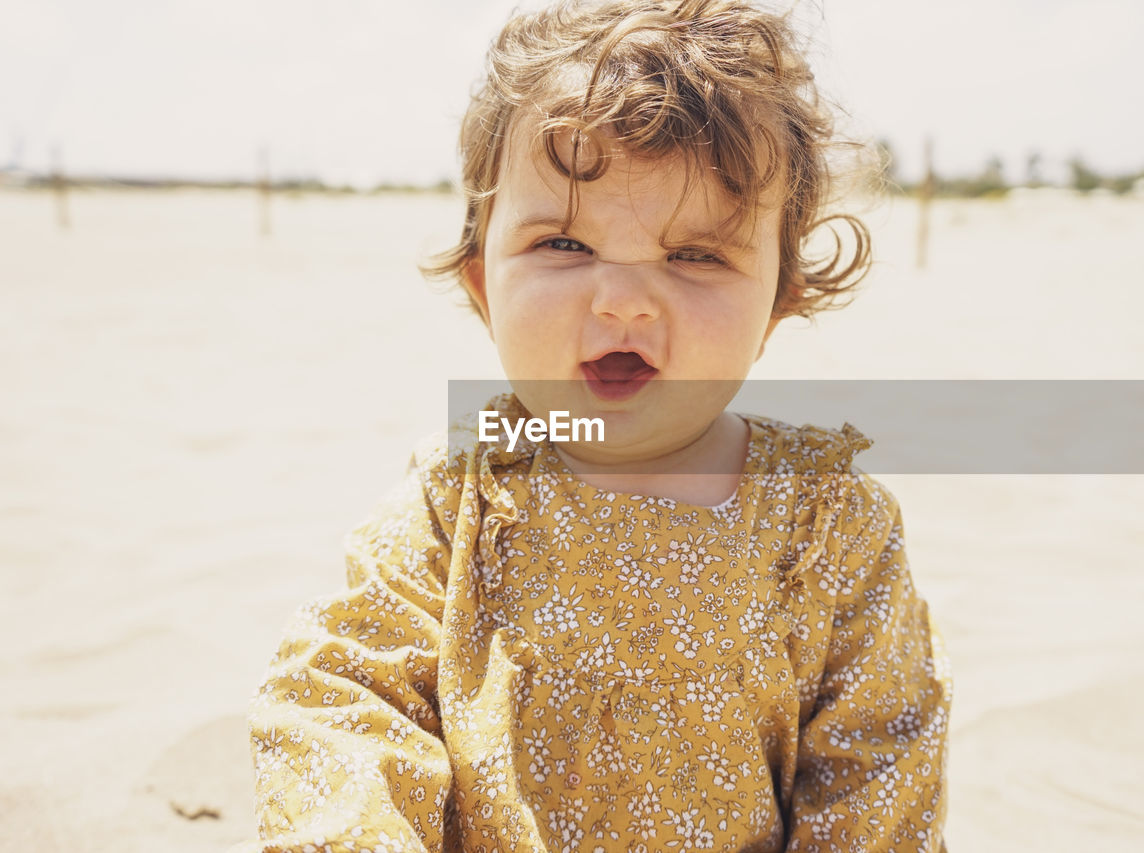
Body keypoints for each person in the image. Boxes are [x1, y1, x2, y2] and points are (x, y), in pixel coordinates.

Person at [238, 1, 951, 850]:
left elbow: (879, 759)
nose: (620, 299)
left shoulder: (826, 519)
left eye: (696, 255)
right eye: (564, 246)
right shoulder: (461, 491)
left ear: (776, 308)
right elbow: (344, 691)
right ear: (481, 284)